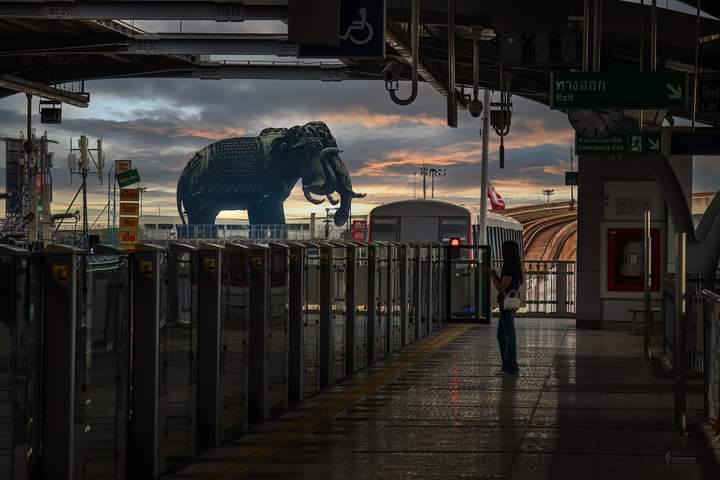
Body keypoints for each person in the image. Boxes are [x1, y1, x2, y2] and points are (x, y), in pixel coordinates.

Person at [489, 240, 523, 375]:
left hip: (506, 304)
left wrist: (492, 274)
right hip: (510, 302)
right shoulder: (516, 267)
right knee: (502, 335)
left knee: (508, 335)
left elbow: (500, 287)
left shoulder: (509, 268)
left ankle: (510, 367)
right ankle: (508, 364)